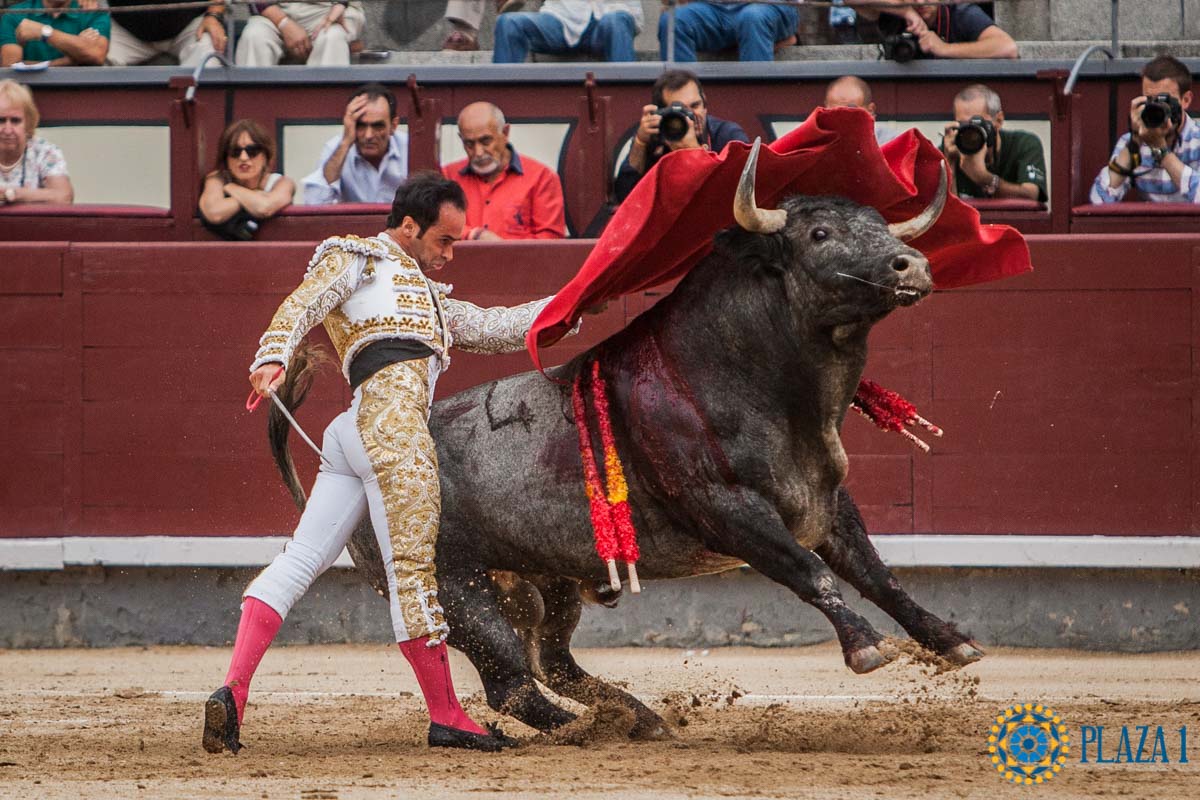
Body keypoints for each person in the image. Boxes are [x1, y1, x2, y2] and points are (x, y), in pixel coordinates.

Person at [205, 172, 579, 756]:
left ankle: (234, 689)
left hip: (353, 432)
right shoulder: (357, 258)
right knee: (414, 576)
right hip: (395, 430)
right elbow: (306, 300)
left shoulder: (430, 297)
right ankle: (448, 716)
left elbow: (495, 326)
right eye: (444, 240)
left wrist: (569, 304)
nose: (450, 254)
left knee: (300, 560)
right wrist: (273, 355)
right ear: (408, 225)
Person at [614, 69, 749, 203]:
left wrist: (694, 152)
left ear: (705, 105)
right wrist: (640, 143)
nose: (691, 117)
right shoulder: (656, 137)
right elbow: (626, 198)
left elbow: (742, 194)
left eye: (695, 106)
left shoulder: (727, 136)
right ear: (663, 114)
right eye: (682, 111)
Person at [442, 101, 566, 239]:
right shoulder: (447, 177)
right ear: (461, 139)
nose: (478, 152)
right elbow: (435, 226)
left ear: (505, 133)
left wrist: (503, 248)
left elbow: (550, 241)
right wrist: (474, 235)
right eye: (469, 144)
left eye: (486, 141)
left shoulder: (542, 178)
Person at [1091, 55, 1200, 205]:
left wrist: (1161, 152)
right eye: (1150, 101)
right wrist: (1134, 143)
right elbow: (1098, 201)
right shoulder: (1132, 141)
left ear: (1186, 100)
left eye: (1164, 101)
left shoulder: (1197, 140)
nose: (1157, 108)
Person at [303, 83, 409, 206]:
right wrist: (345, 143)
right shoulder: (336, 149)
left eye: (377, 126)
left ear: (393, 126)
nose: (368, 135)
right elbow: (314, 203)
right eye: (360, 125)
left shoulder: (410, 148)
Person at [941, 83, 1046, 203]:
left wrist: (985, 178)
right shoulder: (950, 149)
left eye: (977, 124)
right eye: (964, 125)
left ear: (998, 121)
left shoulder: (1023, 144)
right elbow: (945, 210)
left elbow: (1032, 196)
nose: (971, 134)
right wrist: (949, 166)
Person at [198, 119, 294, 240]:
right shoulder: (217, 179)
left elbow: (264, 207)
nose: (243, 158)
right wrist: (255, 195)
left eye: (252, 151)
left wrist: (232, 188)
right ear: (226, 157)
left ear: (266, 156)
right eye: (235, 151)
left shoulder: (282, 182)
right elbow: (214, 213)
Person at [851, 1, 1017, 59]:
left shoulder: (961, 13)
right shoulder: (893, 13)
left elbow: (1007, 47)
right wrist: (906, 11)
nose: (921, 2)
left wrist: (944, 48)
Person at [493, 0, 642, 63]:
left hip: (609, 19)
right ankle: (497, 108)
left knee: (615, 21)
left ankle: (626, 104)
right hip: (561, 19)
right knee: (508, 23)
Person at [0, 80, 73, 206]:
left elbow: (64, 197)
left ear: (28, 123)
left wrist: (13, 194)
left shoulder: (45, 152)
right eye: (1, 120)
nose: (7, 130)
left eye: (15, 121)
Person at [658, 1, 798, 62]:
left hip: (765, 6)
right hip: (713, 8)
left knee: (752, 17)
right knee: (672, 20)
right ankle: (682, 105)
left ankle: (756, 103)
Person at [235, 2, 365, 67]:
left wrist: (341, 4)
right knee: (254, 36)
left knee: (332, 37)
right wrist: (283, 23)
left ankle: (324, 110)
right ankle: (252, 110)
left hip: (327, 10)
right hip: (276, 10)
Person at [104, 0, 226, 66]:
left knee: (207, 56)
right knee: (96, 57)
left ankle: (189, 103)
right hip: (126, 32)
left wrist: (213, 15)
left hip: (189, 26)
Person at [0, 0, 109, 67]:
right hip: (29, 91)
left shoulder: (91, 11)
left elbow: (97, 55)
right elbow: (11, 67)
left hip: (81, 91)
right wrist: (71, 60)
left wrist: (44, 32)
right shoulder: (15, 14)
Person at [823, 75, 900, 146]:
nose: (843, 119)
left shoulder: (891, 142)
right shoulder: (818, 143)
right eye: (834, 113)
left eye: (851, 112)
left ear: (870, 111)